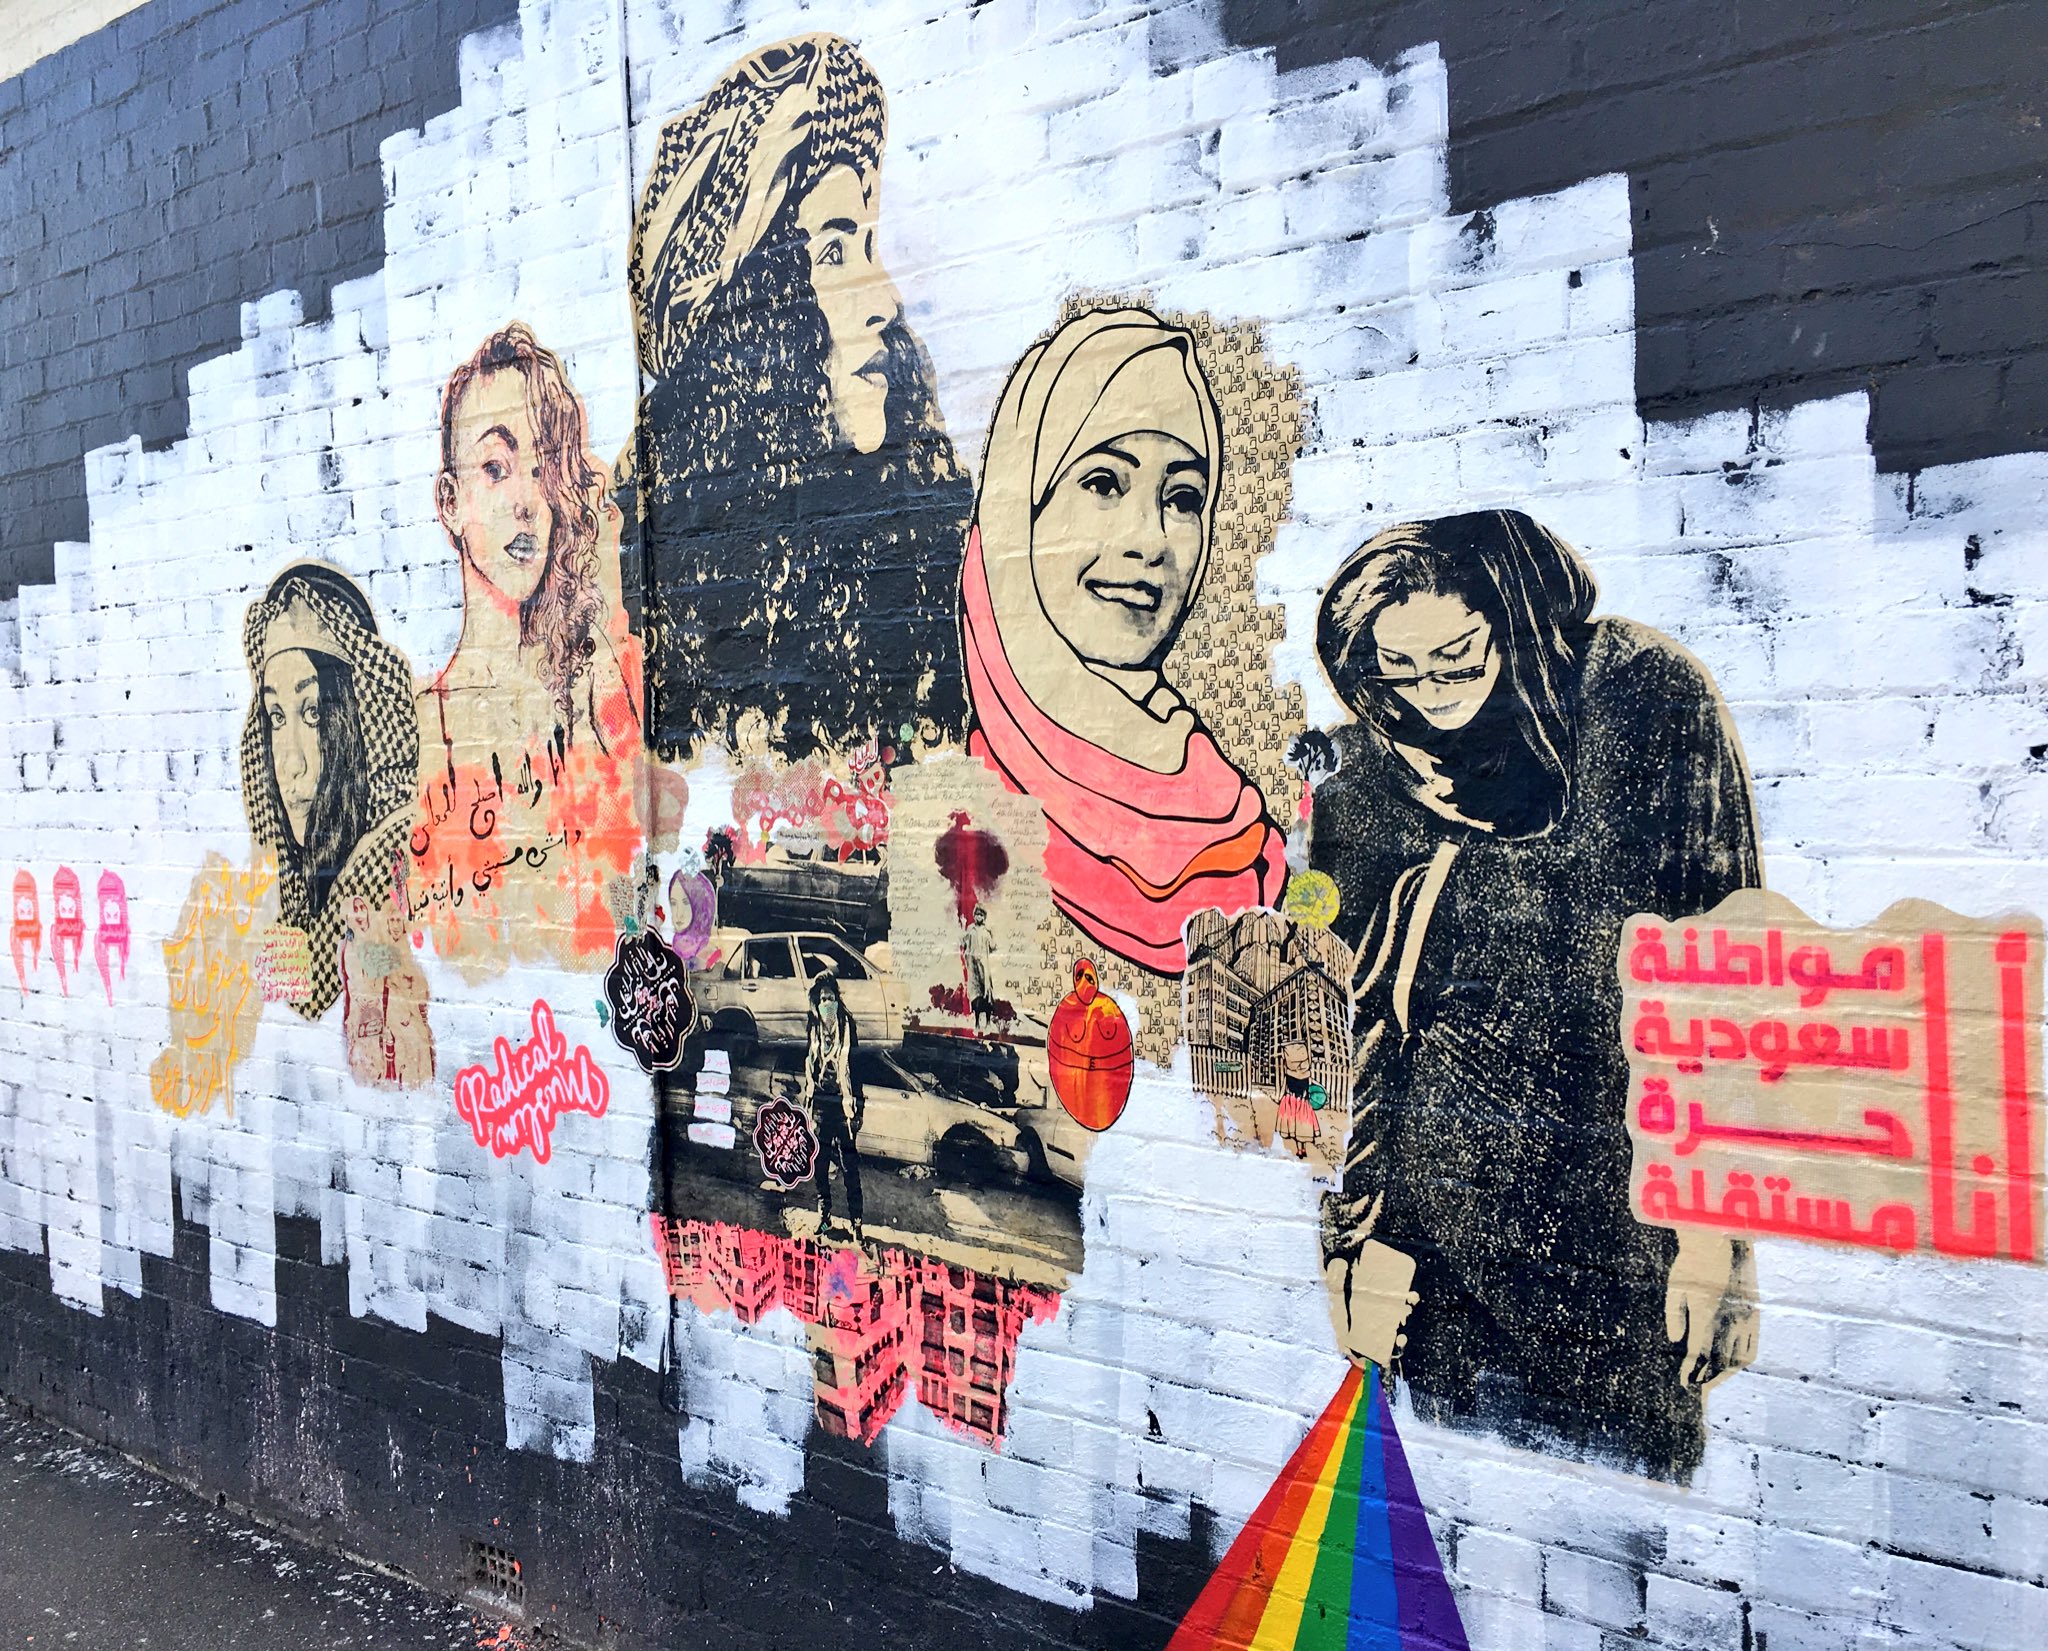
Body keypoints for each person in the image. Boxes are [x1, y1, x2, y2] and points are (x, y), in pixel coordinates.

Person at [1310, 509, 1759, 1481]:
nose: (1432, 696)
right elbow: (1359, 1025)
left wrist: (1717, 1234)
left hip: (1619, 1242)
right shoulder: (1364, 774)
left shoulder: (1640, 697)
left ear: (1511, 623)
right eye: (1399, 671)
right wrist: (1351, 1238)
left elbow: (1718, 963)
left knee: (1626, 1518)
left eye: (1457, 659)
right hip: (1433, 1260)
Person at [627, 32, 970, 760]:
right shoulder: (640, 596)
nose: (885, 299)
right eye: (834, 251)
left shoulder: (929, 570)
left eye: (869, 247)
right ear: (754, 314)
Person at [961, 306, 1286, 975]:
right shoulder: (972, 812)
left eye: (1185, 498)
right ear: (1021, 511)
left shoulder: (1233, 820)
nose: (1150, 539)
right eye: (1105, 482)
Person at [413, 324, 646, 971]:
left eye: (544, 470)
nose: (527, 502)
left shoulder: (594, 692)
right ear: (449, 502)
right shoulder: (413, 732)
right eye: (496, 467)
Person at [240, 562, 418, 1019]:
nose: (291, 763)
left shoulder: (392, 867)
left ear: (359, 723)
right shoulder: (296, 895)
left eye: (314, 712)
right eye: (276, 717)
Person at [796, 971, 865, 1244]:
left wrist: (859, 1108)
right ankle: (824, 1218)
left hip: (843, 1106)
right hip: (821, 1106)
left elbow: (856, 1068)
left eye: (831, 998)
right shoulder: (813, 1027)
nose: (827, 1003)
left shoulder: (848, 1026)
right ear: (817, 1001)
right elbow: (809, 1065)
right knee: (821, 1164)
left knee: (849, 1168)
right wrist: (809, 1100)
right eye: (823, 998)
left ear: (837, 999)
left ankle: (856, 1223)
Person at [1274, 1039, 1328, 1159]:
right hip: (1303, 1104)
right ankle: (1301, 1149)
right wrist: (1322, 1091)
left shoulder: (1289, 1075)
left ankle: (1300, 1150)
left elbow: (1283, 1088)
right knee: (1301, 1129)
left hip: (1291, 1103)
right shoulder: (1306, 1075)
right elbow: (1314, 1085)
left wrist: (1278, 1098)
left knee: (1295, 1127)